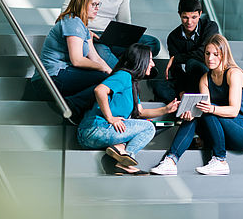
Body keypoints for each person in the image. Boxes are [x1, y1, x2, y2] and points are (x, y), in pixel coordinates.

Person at [150, 34, 243, 176]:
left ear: (224, 55)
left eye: (215, 54)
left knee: (206, 109)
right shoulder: (205, 79)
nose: (210, 58)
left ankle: (220, 160)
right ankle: (171, 160)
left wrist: (208, 108)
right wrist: (190, 114)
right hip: (223, 133)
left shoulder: (234, 74)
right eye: (207, 53)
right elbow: (204, 110)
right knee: (198, 111)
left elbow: (233, 111)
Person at [77, 44, 179, 175]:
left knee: (150, 125)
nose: (153, 64)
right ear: (140, 60)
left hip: (98, 133)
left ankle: (119, 153)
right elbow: (100, 90)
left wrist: (166, 109)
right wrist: (110, 118)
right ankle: (125, 160)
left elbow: (141, 112)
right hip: (94, 130)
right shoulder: (124, 75)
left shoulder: (132, 83)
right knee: (148, 128)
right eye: (150, 60)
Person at [31, 0, 112, 123]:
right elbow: (77, 60)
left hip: (63, 74)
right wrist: (102, 69)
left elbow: (96, 57)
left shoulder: (83, 26)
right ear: (82, 3)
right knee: (102, 78)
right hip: (50, 78)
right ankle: (72, 106)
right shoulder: (72, 21)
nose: (97, 8)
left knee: (109, 79)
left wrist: (112, 73)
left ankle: (76, 106)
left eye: (98, 4)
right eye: (93, 4)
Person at [153, 0, 219, 103]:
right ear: (179, 14)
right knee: (159, 87)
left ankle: (195, 100)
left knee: (192, 63)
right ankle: (189, 99)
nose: (189, 22)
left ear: (200, 14)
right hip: (189, 80)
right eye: (185, 17)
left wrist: (176, 58)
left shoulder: (210, 27)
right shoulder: (173, 37)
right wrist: (181, 90)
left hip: (208, 77)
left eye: (194, 17)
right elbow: (176, 69)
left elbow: (202, 53)